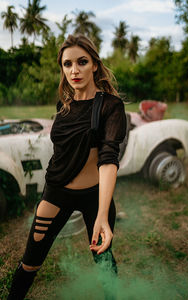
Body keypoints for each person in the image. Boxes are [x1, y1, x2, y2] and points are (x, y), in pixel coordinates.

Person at [8, 34, 127, 300]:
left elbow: (108, 159)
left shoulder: (111, 106)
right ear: (62, 67)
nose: (74, 70)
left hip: (95, 197)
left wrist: (103, 215)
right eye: (67, 64)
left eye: (82, 62)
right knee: (30, 262)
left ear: (95, 65)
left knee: (104, 264)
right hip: (56, 192)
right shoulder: (63, 104)